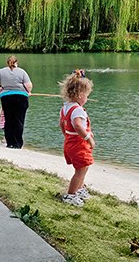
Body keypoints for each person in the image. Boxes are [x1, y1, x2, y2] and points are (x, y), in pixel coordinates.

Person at [59, 70, 95, 206]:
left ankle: (79, 189)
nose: (87, 98)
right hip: (79, 145)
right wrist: (88, 138)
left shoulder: (65, 108)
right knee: (81, 170)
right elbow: (78, 125)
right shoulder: (78, 110)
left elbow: (62, 124)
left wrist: (67, 135)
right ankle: (71, 194)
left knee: (81, 168)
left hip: (70, 142)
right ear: (80, 95)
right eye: (86, 95)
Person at [0, 56, 32, 148]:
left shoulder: (1, 71)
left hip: (6, 97)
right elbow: (28, 85)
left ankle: (10, 143)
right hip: (21, 97)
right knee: (19, 120)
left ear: (7, 63)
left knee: (8, 120)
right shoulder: (22, 71)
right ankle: (17, 143)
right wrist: (28, 92)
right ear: (16, 63)